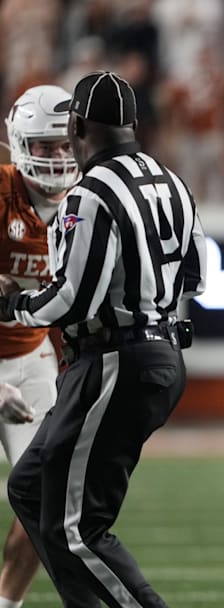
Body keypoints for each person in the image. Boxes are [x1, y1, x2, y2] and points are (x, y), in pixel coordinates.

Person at [0, 71, 206, 607]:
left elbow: (75, 300)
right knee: (29, 486)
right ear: (133, 123)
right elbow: (200, 275)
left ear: (77, 126)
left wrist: (15, 304)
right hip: (158, 347)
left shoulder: (88, 192)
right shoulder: (172, 182)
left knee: (79, 529)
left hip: (113, 358)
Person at [0, 84, 81, 608]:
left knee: (43, 501)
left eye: (63, 144)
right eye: (44, 146)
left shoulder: (89, 202)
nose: (56, 157)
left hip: (32, 359)